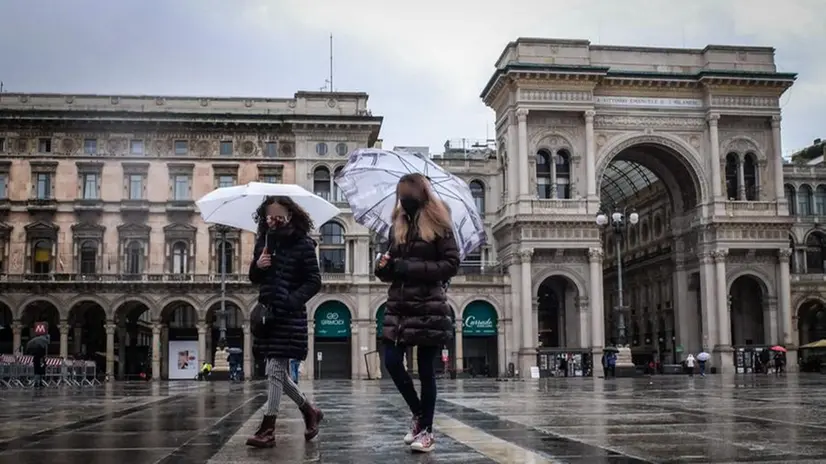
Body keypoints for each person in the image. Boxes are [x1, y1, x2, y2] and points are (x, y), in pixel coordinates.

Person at [375, 173, 460, 454]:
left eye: (408, 192)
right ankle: (418, 416)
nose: (403, 198)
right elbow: (387, 273)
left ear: (421, 193)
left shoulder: (439, 224)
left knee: (426, 371)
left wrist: (408, 269)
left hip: (428, 306)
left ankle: (427, 431)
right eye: (400, 193)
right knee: (391, 361)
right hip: (399, 306)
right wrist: (383, 266)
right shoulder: (396, 227)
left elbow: (450, 264)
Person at [246, 196, 324, 449]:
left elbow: (314, 280)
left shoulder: (303, 244)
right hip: (268, 315)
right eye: (269, 215)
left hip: (289, 315)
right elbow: (254, 277)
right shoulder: (263, 241)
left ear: (290, 215)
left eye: (279, 215)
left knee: (276, 370)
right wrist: (259, 265)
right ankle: (309, 410)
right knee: (274, 371)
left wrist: (291, 300)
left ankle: (268, 428)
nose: (273, 219)